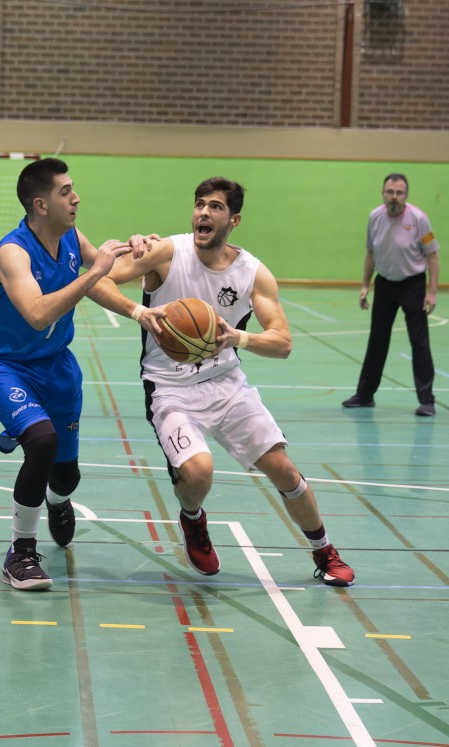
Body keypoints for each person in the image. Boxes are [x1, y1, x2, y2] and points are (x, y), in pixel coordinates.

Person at [106, 177, 354, 585]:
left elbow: (283, 342)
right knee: (199, 472)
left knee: (285, 471)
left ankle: (324, 550)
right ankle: (193, 520)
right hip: (169, 387)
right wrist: (138, 310)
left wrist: (238, 337)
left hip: (227, 383)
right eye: (200, 204)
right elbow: (98, 278)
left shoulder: (253, 273)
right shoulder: (166, 252)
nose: (203, 212)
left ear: (233, 219)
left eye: (215, 207)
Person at [0, 157, 138, 592]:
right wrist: (95, 272)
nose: (76, 197)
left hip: (57, 368)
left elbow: (108, 273)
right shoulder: (13, 252)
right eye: (66, 191)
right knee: (41, 441)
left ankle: (57, 500)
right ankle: (21, 553)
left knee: (66, 474)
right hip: (2, 366)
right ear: (41, 205)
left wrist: (140, 254)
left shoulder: (70, 237)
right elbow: (38, 314)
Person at [342, 173, 440, 416]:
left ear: (406, 195)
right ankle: (365, 395)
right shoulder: (375, 217)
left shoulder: (420, 220)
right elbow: (369, 253)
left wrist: (431, 291)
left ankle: (426, 400)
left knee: (419, 343)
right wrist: (365, 285)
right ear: (383, 193)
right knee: (377, 341)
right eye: (390, 192)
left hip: (413, 285)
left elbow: (433, 256)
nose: (394, 197)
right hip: (384, 284)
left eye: (399, 193)